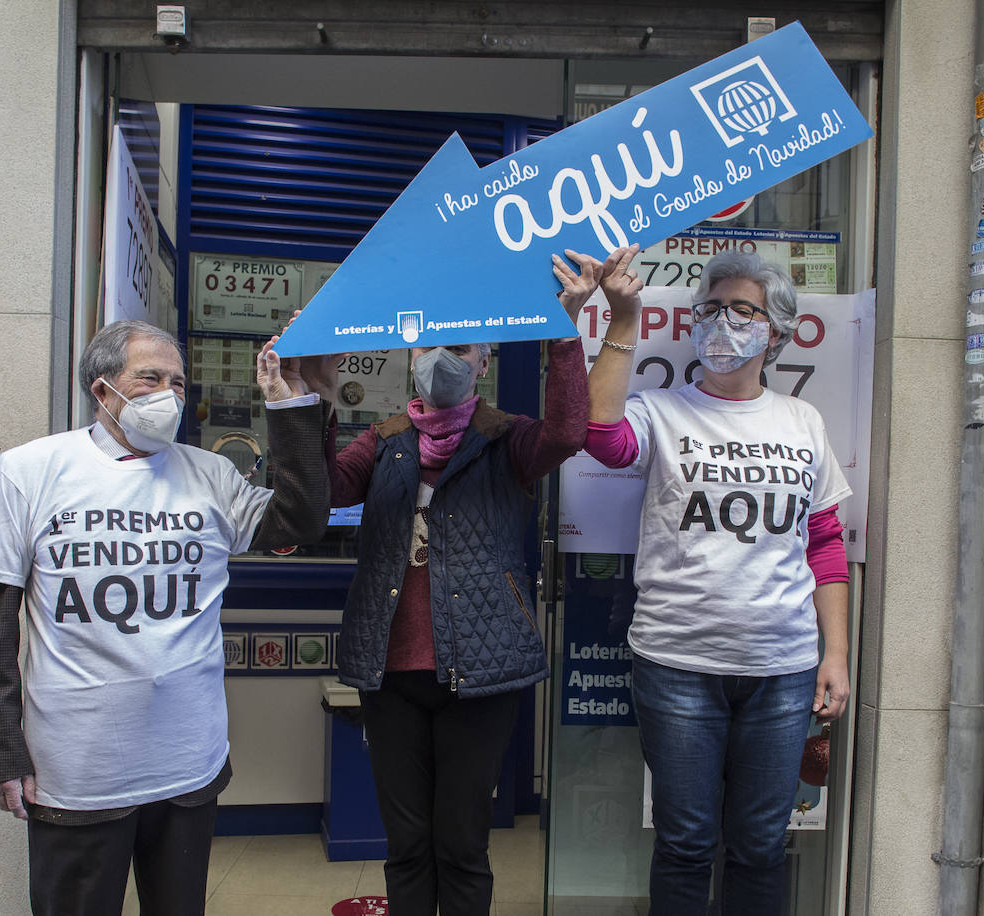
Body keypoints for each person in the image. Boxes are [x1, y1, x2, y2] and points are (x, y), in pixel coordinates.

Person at [0, 319, 333, 916]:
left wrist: (290, 405)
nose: (170, 394)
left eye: (179, 382)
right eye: (151, 378)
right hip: (77, 768)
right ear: (102, 388)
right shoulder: (28, 470)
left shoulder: (210, 474)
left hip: (187, 762)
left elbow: (302, 519)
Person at [289, 250, 601, 916]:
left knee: (461, 845)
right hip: (392, 672)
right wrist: (311, 396)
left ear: (485, 362)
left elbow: (571, 432)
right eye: (431, 346)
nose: (443, 360)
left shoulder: (507, 440)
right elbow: (315, 503)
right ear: (410, 357)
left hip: (482, 676)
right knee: (406, 844)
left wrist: (565, 335)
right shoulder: (383, 441)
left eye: (460, 349)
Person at [584, 246, 852, 915]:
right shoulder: (662, 410)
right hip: (678, 664)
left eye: (743, 310)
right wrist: (622, 318)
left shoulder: (803, 423)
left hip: (783, 670)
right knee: (686, 842)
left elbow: (824, 547)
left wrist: (836, 654)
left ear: (776, 330)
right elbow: (600, 438)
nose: (723, 321)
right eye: (711, 307)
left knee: (761, 844)